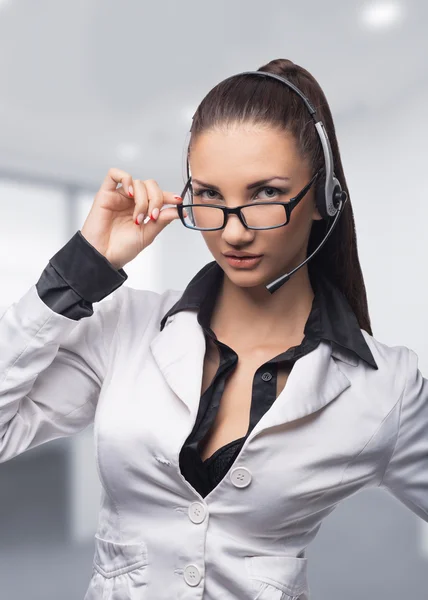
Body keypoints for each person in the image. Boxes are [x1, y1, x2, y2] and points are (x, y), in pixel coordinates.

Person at [0, 58, 427, 600]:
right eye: (209, 196)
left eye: (266, 194)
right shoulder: (125, 326)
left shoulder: (385, 387)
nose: (233, 231)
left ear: (324, 199)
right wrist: (80, 271)